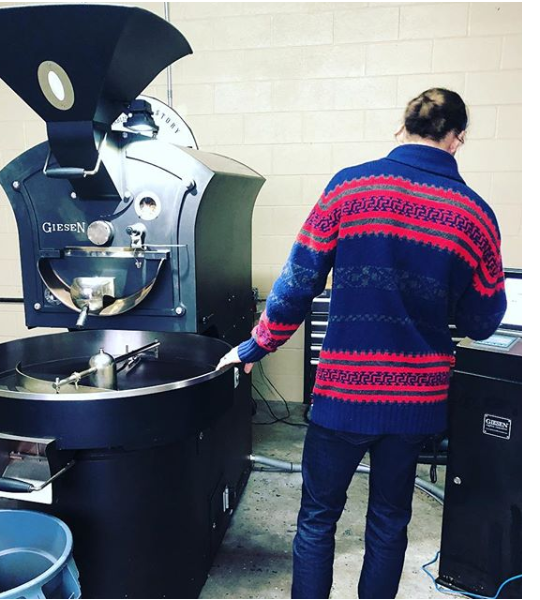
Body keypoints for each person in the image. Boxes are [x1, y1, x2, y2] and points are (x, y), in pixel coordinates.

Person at [217, 88, 507, 599]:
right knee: (390, 522)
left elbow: (296, 283)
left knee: (316, 520)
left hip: (343, 397)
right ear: (458, 138)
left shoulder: (351, 187)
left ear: (403, 128)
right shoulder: (474, 215)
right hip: (413, 404)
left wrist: (254, 347)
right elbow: (484, 321)